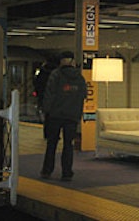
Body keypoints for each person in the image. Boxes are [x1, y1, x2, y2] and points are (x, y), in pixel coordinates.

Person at [40, 51, 87, 181]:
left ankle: (47, 171)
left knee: (52, 143)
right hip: (72, 117)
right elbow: (83, 95)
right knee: (68, 145)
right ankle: (67, 173)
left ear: (61, 61)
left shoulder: (55, 75)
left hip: (55, 115)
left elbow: (49, 94)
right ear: (72, 61)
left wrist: (46, 111)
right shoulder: (79, 77)